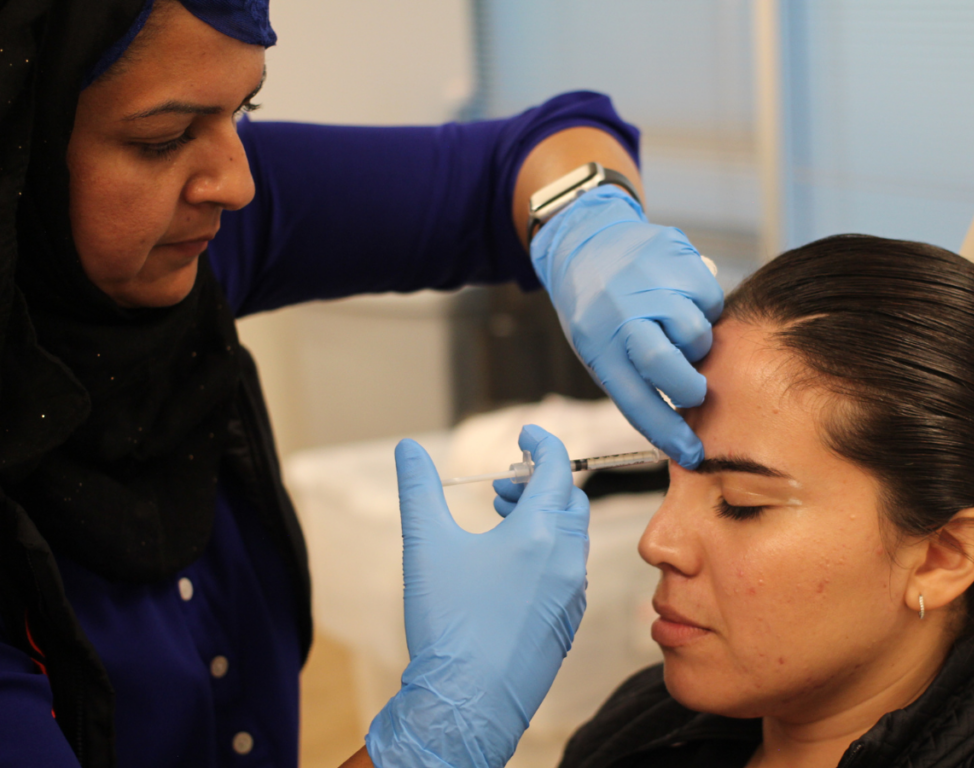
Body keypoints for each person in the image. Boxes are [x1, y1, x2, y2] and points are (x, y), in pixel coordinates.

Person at [0, 0, 723, 766]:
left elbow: (527, 152)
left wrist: (586, 221)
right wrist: (439, 731)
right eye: (163, 138)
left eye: (245, 110)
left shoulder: (180, 230)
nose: (238, 185)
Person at [533, 234, 974, 767]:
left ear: (942, 556)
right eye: (669, 481)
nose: (656, 543)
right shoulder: (644, 721)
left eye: (740, 503)